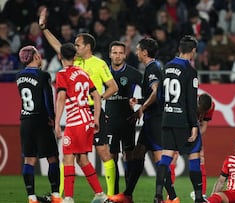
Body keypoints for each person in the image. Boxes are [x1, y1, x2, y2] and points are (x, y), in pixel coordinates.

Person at [39, 8, 119, 197]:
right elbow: (59, 47)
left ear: (87, 46)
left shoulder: (98, 64)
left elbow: (113, 87)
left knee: (101, 153)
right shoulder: (76, 63)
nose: (75, 47)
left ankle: (109, 195)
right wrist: (44, 29)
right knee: (78, 157)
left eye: (78, 44)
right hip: (81, 113)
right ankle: (63, 195)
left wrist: (97, 100)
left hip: (91, 111)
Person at [154, 35, 207, 203]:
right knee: (194, 155)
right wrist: (193, 124)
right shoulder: (190, 71)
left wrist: (167, 112)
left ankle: (158, 195)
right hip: (184, 121)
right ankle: (198, 197)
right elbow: (191, 101)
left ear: (179, 49)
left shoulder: (166, 67)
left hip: (167, 119)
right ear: (192, 51)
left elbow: (160, 96)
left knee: (166, 157)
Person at [54, 43, 108, 203]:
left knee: (68, 157)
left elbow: (61, 98)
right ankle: (100, 195)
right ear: (75, 57)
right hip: (87, 119)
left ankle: (69, 198)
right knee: (82, 158)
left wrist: (57, 123)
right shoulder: (83, 73)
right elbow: (97, 96)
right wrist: (96, 118)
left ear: (59, 57)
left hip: (75, 120)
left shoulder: (62, 74)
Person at [16, 45, 61, 203]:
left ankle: (32, 198)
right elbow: (48, 99)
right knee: (52, 158)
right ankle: (55, 195)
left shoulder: (19, 76)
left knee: (29, 160)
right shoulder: (43, 75)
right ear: (35, 57)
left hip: (25, 121)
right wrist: (52, 118)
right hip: (41, 121)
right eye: (38, 54)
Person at [105, 41, 142, 203]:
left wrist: (140, 109)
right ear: (110, 54)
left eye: (120, 53)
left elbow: (148, 93)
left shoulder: (134, 74)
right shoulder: (103, 72)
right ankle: (113, 195)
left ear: (125, 55)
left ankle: (127, 195)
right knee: (111, 158)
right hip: (110, 121)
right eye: (114, 52)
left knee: (129, 156)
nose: (117, 56)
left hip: (128, 120)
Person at [128, 37, 164, 202]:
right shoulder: (153, 67)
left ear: (144, 52)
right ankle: (128, 194)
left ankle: (164, 196)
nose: (136, 52)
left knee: (159, 159)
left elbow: (156, 93)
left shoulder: (153, 68)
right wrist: (140, 103)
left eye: (138, 49)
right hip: (150, 120)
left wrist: (141, 107)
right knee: (138, 153)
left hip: (156, 120)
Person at [170, 93, 215, 200]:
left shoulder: (211, 106)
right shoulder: (186, 102)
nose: (202, 114)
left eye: (204, 112)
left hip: (195, 132)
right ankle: (170, 195)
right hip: (179, 128)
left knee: (201, 158)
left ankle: (201, 194)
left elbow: (203, 126)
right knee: (173, 157)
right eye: (200, 111)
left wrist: (195, 137)